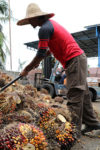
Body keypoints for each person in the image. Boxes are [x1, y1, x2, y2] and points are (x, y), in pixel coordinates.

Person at [17, 3, 100, 137]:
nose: (30, 23)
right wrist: (48, 53)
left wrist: (27, 69)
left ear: (36, 18)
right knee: (83, 95)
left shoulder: (44, 29)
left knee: (74, 94)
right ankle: (92, 123)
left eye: (30, 20)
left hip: (75, 60)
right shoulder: (50, 25)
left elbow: (40, 54)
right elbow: (48, 49)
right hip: (78, 59)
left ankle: (72, 132)